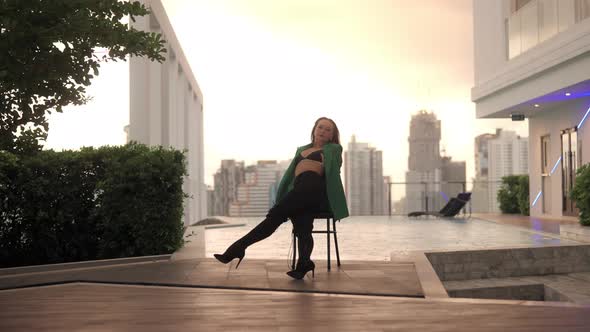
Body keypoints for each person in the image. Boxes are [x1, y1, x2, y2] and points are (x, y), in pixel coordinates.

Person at [214, 117, 349, 279]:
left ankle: (237, 248)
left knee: (275, 215)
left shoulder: (333, 149)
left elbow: (335, 167)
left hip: (315, 188)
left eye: (328, 130)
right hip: (300, 190)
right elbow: (290, 176)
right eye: (321, 127)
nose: (323, 131)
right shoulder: (301, 149)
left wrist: (328, 156)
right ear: (314, 129)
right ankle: (304, 263)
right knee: (303, 223)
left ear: (332, 136)